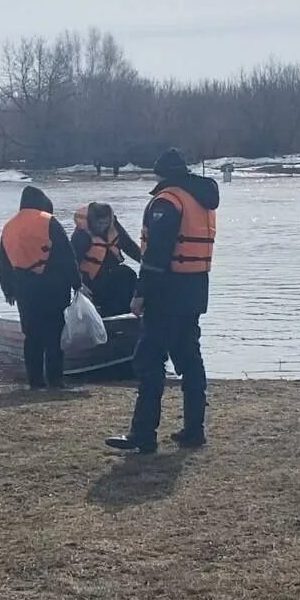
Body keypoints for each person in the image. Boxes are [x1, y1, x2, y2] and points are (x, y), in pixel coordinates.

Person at [106, 148, 219, 453]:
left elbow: (155, 255)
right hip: (196, 289)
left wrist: (141, 294)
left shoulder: (167, 202)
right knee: (190, 359)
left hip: (166, 292)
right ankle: (194, 430)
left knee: (149, 360)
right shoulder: (202, 199)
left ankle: (143, 433)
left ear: (162, 175)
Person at [0, 186, 82, 389]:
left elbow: (3, 260)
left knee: (32, 335)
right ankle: (55, 379)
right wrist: (76, 282)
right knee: (54, 334)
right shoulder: (48, 221)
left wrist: (8, 288)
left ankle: (35, 381)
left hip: (24, 287)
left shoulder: (9, 226)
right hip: (53, 286)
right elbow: (66, 253)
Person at [71, 202, 142, 316]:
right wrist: (79, 286)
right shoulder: (81, 236)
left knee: (128, 274)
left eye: (106, 223)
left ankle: (129, 314)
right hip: (91, 281)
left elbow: (130, 247)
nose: (103, 227)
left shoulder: (113, 227)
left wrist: (147, 264)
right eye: (100, 223)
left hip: (114, 274)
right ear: (92, 221)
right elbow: (71, 264)